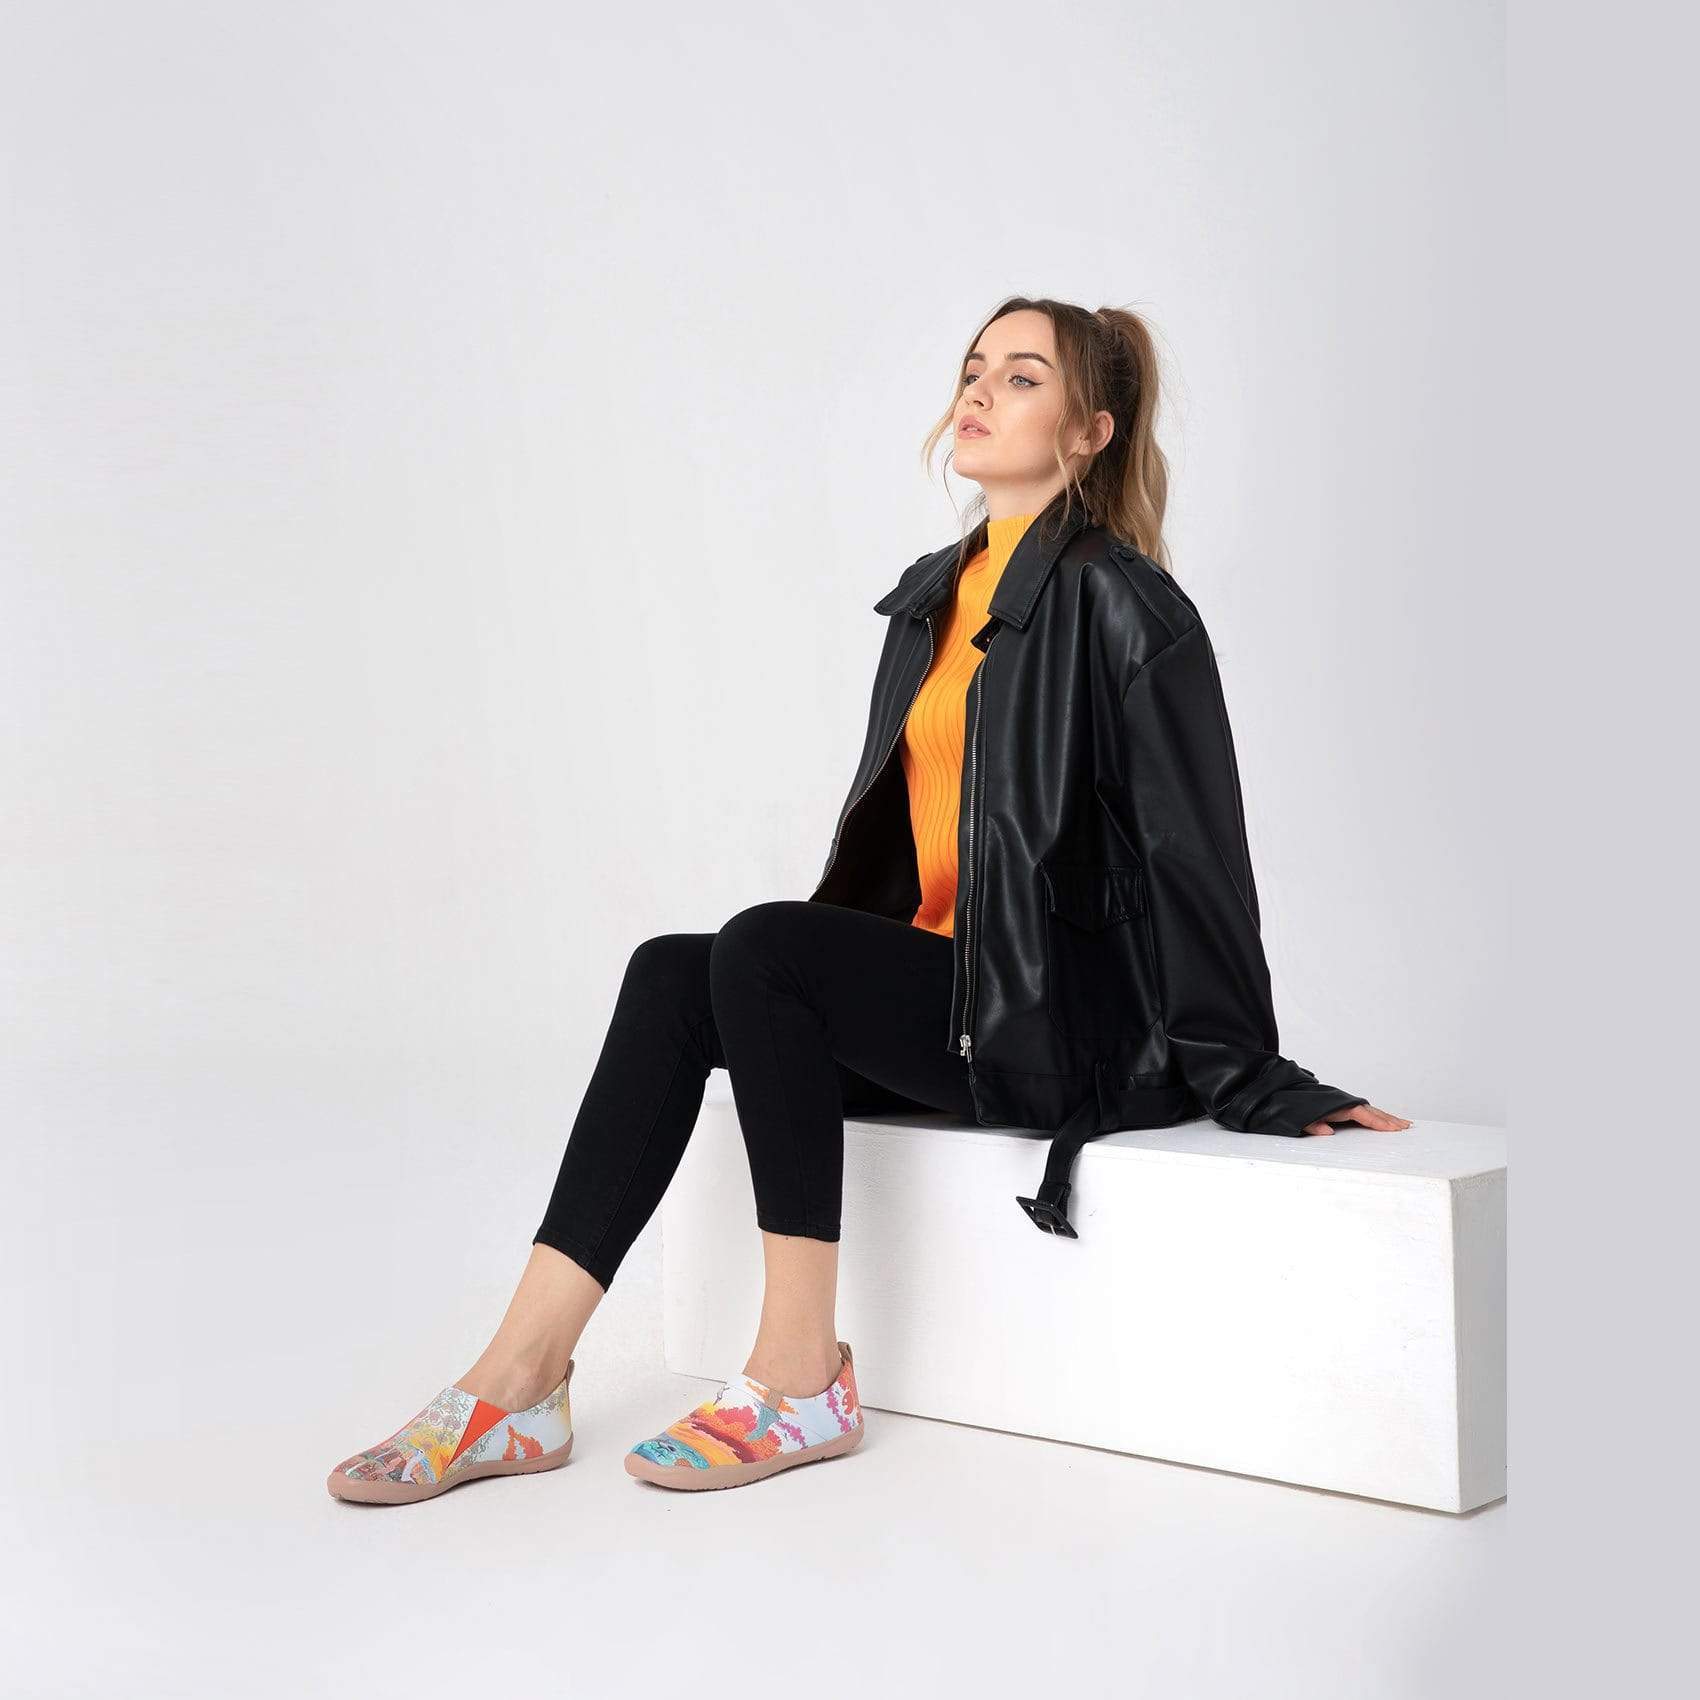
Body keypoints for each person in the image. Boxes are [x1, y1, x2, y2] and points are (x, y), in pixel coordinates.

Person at [326, 296, 1412, 1505]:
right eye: (973, 367)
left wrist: (1251, 1071)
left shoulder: (1126, 603)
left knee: (765, 948)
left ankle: (800, 1376)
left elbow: (1195, 855)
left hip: (1058, 1022)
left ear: (1089, 430)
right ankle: (520, 1379)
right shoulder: (935, 594)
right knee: (672, 971)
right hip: (957, 992)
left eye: (1023, 376)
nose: (979, 391)